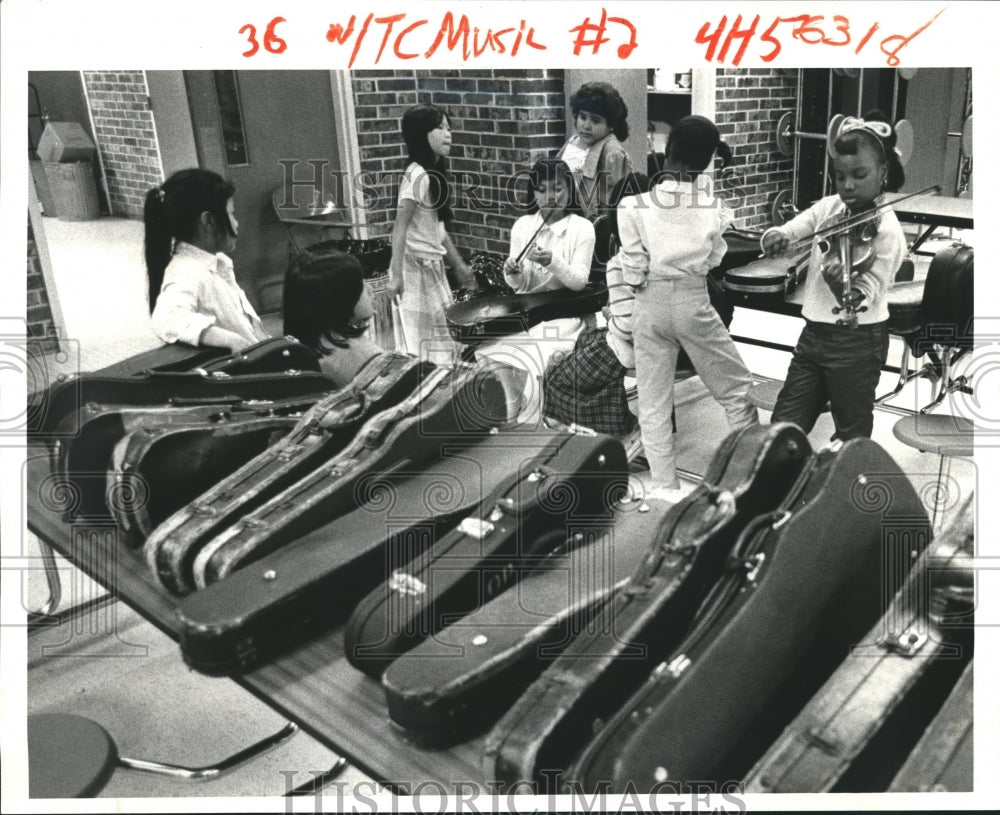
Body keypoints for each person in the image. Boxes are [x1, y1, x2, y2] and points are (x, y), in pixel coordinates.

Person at [618, 115, 758, 500]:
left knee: (653, 400)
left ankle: (664, 488)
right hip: (692, 299)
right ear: (705, 163)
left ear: (667, 153)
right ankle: (745, 479)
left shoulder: (632, 205)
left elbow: (631, 269)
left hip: (647, 304)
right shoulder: (713, 206)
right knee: (735, 388)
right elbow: (715, 259)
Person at [761, 111, 907, 440]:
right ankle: (784, 485)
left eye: (859, 174)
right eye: (840, 176)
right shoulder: (829, 208)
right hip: (813, 335)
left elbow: (864, 293)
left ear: (883, 171)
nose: (848, 185)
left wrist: (842, 286)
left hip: (857, 343)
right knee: (783, 427)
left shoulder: (886, 230)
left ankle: (845, 488)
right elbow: (795, 227)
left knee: (850, 433)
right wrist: (776, 236)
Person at [479, 157, 596, 424]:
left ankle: (533, 419)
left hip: (562, 314)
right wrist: (513, 272)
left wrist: (553, 261)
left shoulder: (582, 228)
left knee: (533, 355)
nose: (550, 196)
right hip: (527, 312)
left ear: (570, 189)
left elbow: (579, 281)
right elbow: (519, 287)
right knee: (488, 347)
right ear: (533, 193)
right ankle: (513, 402)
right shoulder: (523, 226)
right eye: (541, 189)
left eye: (558, 188)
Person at [543, 173, 651, 436]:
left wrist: (612, 314)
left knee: (555, 381)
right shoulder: (667, 248)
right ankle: (614, 416)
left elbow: (626, 326)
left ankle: (617, 427)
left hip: (633, 344)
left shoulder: (620, 260)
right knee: (582, 343)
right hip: (657, 339)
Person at [145, 168, 269, 351]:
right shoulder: (186, 272)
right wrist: (232, 341)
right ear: (209, 221)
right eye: (231, 214)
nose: (236, 223)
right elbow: (166, 318)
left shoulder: (217, 261)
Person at [388, 103, 474, 365]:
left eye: (449, 128)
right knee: (423, 341)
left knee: (443, 336)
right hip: (415, 268)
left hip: (432, 265)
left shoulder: (432, 173)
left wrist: (459, 266)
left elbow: (438, 229)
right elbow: (399, 227)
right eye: (439, 128)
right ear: (420, 135)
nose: (448, 134)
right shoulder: (417, 175)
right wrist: (395, 276)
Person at [282, 251, 385, 388]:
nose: (370, 289)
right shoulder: (365, 357)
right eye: (361, 285)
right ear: (340, 300)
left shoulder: (304, 347)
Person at [556, 82, 633, 222]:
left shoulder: (612, 152)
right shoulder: (573, 141)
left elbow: (617, 201)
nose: (586, 126)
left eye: (595, 121)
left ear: (610, 125)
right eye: (583, 117)